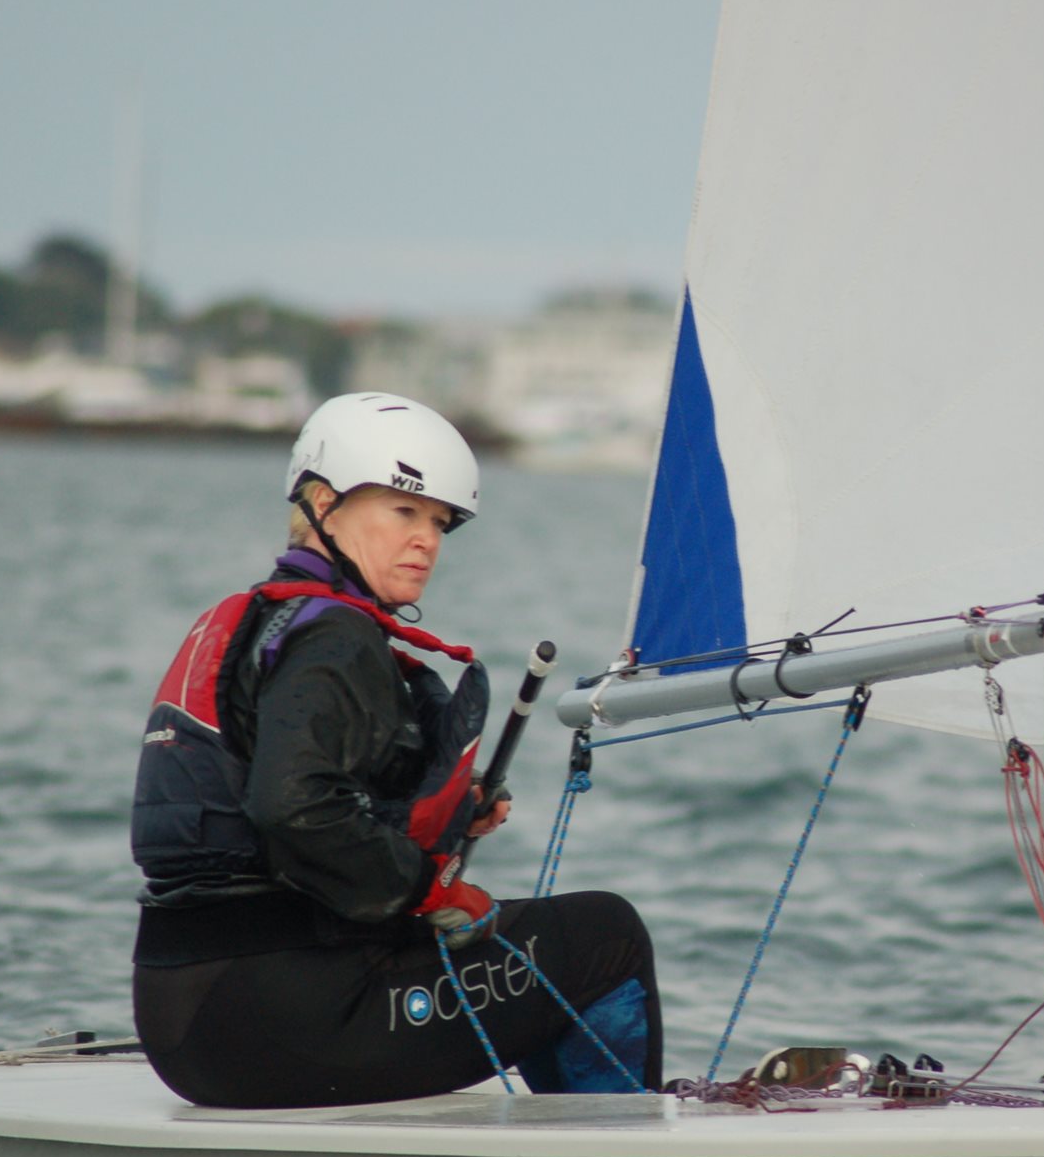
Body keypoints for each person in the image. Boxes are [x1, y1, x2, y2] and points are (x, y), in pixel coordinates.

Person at [129, 392, 662, 1108]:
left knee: (542, 936)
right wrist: (426, 888)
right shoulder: (336, 637)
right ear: (324, 504)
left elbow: (288, 804)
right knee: (605, 937)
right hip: (283, 1020)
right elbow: (290, 806)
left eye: (439, 522)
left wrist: (444, 809)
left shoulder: (268, 622)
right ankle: (617, 1155)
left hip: (186, 1023)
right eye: (403, 511)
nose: (427, 540)